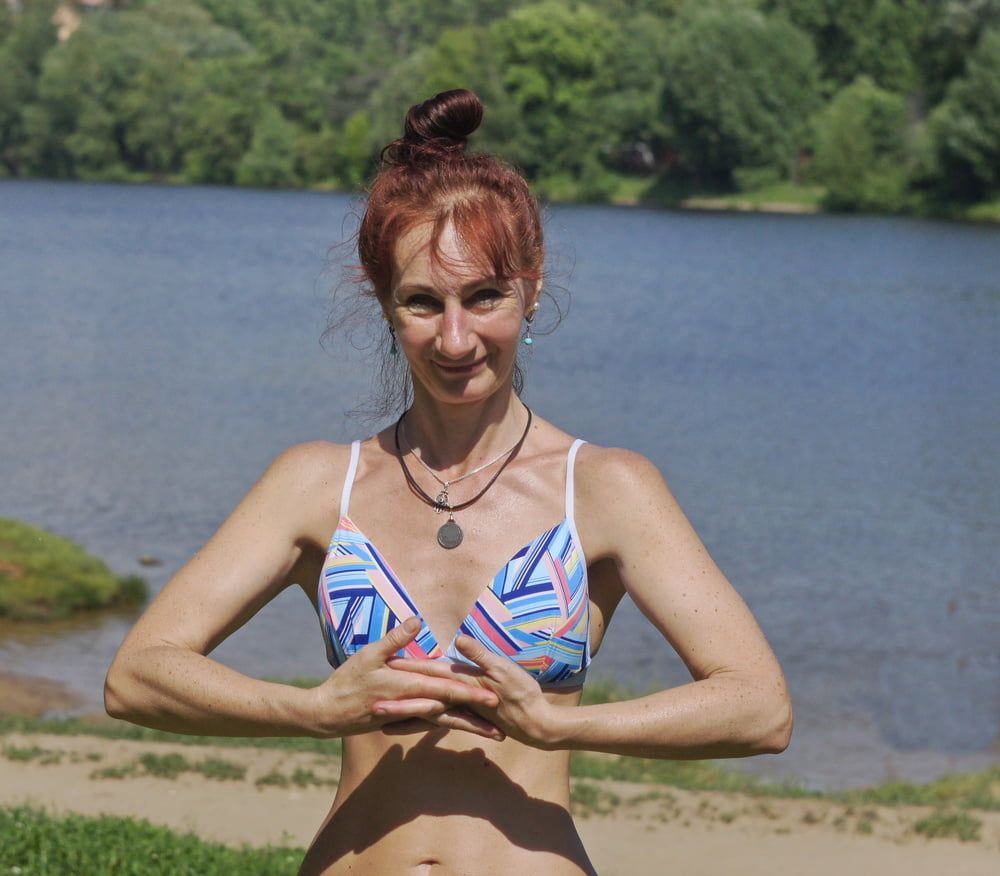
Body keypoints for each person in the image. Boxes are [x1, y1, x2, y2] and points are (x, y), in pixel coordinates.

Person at [104, 88, 792, 876]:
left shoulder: (604, 489)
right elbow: (137, 675)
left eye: (485, 297)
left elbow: (759, 706)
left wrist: (562, 726)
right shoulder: (315, 485)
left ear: (530, 290)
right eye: (423, 303)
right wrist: (312, 710)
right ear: (386, 309)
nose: (456, 337)